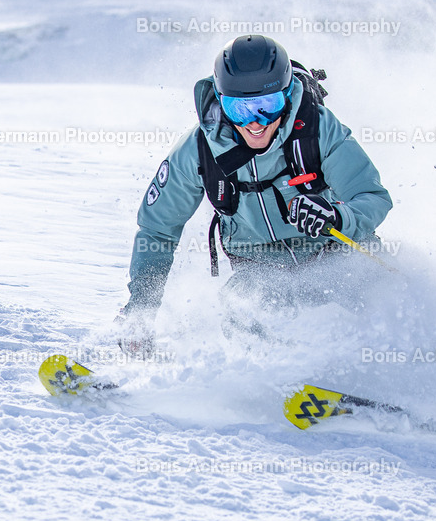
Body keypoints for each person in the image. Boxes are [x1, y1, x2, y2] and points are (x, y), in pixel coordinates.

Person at [116, 34, 392, 356]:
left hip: (334, 252)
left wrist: (337, 216)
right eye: (239, 108)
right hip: (263, 271)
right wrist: (141, 312)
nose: (255, 122)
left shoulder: (317, 129)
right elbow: (157, 230)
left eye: (267, 105)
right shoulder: (198, 151)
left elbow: (372, 195)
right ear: (220, 100)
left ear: (287, 96)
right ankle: (274, 380)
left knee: (381, 301)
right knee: (240, 310)